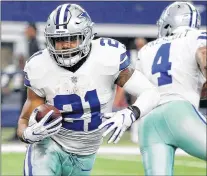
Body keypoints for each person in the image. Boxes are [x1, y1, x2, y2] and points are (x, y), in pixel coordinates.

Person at [17, 4, 160, 176]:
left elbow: (151, 92)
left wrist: (131, 113)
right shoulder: (39, 66)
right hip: (48, 146)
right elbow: (24, 119)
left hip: (85, 154)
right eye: (59, 39)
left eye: (73, 38)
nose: (65, 46)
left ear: (86, 36)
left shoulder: (107, 56)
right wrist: (27, 134)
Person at [135, 2, 206, 175]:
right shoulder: (196, 36)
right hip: (179, 113)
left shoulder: (146, 49)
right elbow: (204, 53)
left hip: (148, 122)